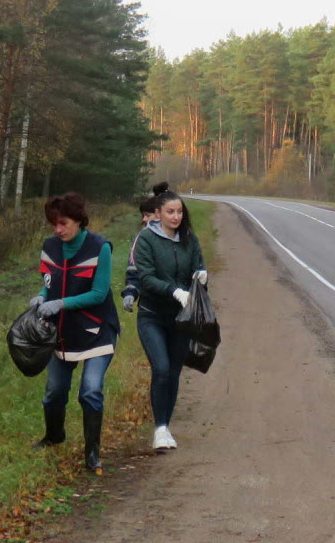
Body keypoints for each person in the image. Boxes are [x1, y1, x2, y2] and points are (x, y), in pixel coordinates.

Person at [30, 192, 118, 474]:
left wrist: (62, 302)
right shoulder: (50, 247)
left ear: (79, 220)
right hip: (62, 333)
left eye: (63, 223)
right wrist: (42, 297)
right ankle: (54, 436)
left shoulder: (99, 247)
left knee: (90, 391)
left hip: (96, 330)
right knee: (54, 392)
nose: (58, 230)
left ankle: (92, 452)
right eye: (54, 224)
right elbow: (48, 282)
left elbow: (99, 293)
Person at [124, 184, 206, 452]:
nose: (176, 217)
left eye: (179, 212)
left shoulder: (189, 239)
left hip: (181, 319)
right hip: (152, 316)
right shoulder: (146, 240)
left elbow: (198, 267)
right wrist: (174, 291)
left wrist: (201, 279)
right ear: (158, 213)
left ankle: (166, 426)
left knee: (172, 373)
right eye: (170, 212)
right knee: (160, 368)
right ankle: (159, 429)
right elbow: (146, 278)